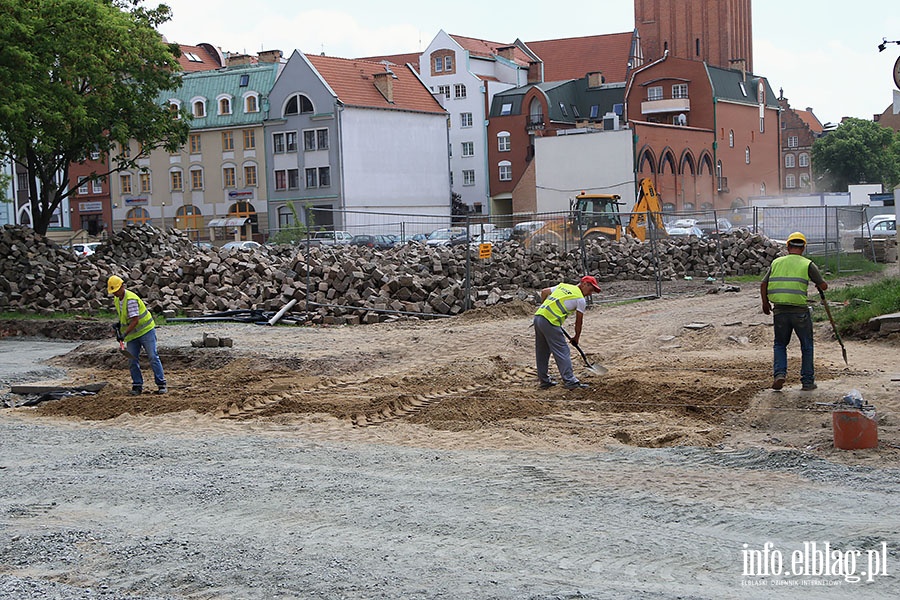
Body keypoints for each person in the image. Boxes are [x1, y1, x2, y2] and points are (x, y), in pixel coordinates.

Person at [759, 232, 827, 391]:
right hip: (800, 311)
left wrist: (765, 303)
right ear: (803, 248)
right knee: (807, 346)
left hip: (780, 311)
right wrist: (819, 285)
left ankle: (780, 374)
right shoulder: (808, 264)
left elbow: (763, 284)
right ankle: (808, 381)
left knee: (780, 344)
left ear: (788, 247)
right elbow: (823, 286)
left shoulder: (776, 262)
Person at [534, 275, 602, 390]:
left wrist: (545, 308)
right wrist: (576, 337)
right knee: (562, 350)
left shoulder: (563, 286)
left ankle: (544, 381)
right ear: (584, 284)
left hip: (538, 317)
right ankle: (570, 381)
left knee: (542, 351)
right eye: (591, 290)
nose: (590, 293)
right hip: (550, 321)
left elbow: (544, 292)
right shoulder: (580, 299)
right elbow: (579, 322)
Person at [107, 275, 167, 395]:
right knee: (132, 359)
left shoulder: (131, 300)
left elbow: (135, 320)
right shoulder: (117, 298)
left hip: (146, 331)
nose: (115, 293)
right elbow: (125, 316)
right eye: (113, 291)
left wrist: (124, 334)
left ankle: (161, 384)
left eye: (116, 290)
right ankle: (137, 385)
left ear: (122, 287)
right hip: (133, 335)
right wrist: (119, 325)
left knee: (153, 357)